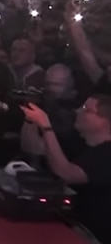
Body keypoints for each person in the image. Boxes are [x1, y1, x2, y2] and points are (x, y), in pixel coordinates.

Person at [22, 96, 111, 243]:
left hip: (91, 235)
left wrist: (46, 126)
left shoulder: (107, 154)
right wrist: (30, 120)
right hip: (66, 223)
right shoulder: (76, 141)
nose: (77, 112)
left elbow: (67, 173)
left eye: (85, 110)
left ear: (104, 121)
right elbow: (32, 146)